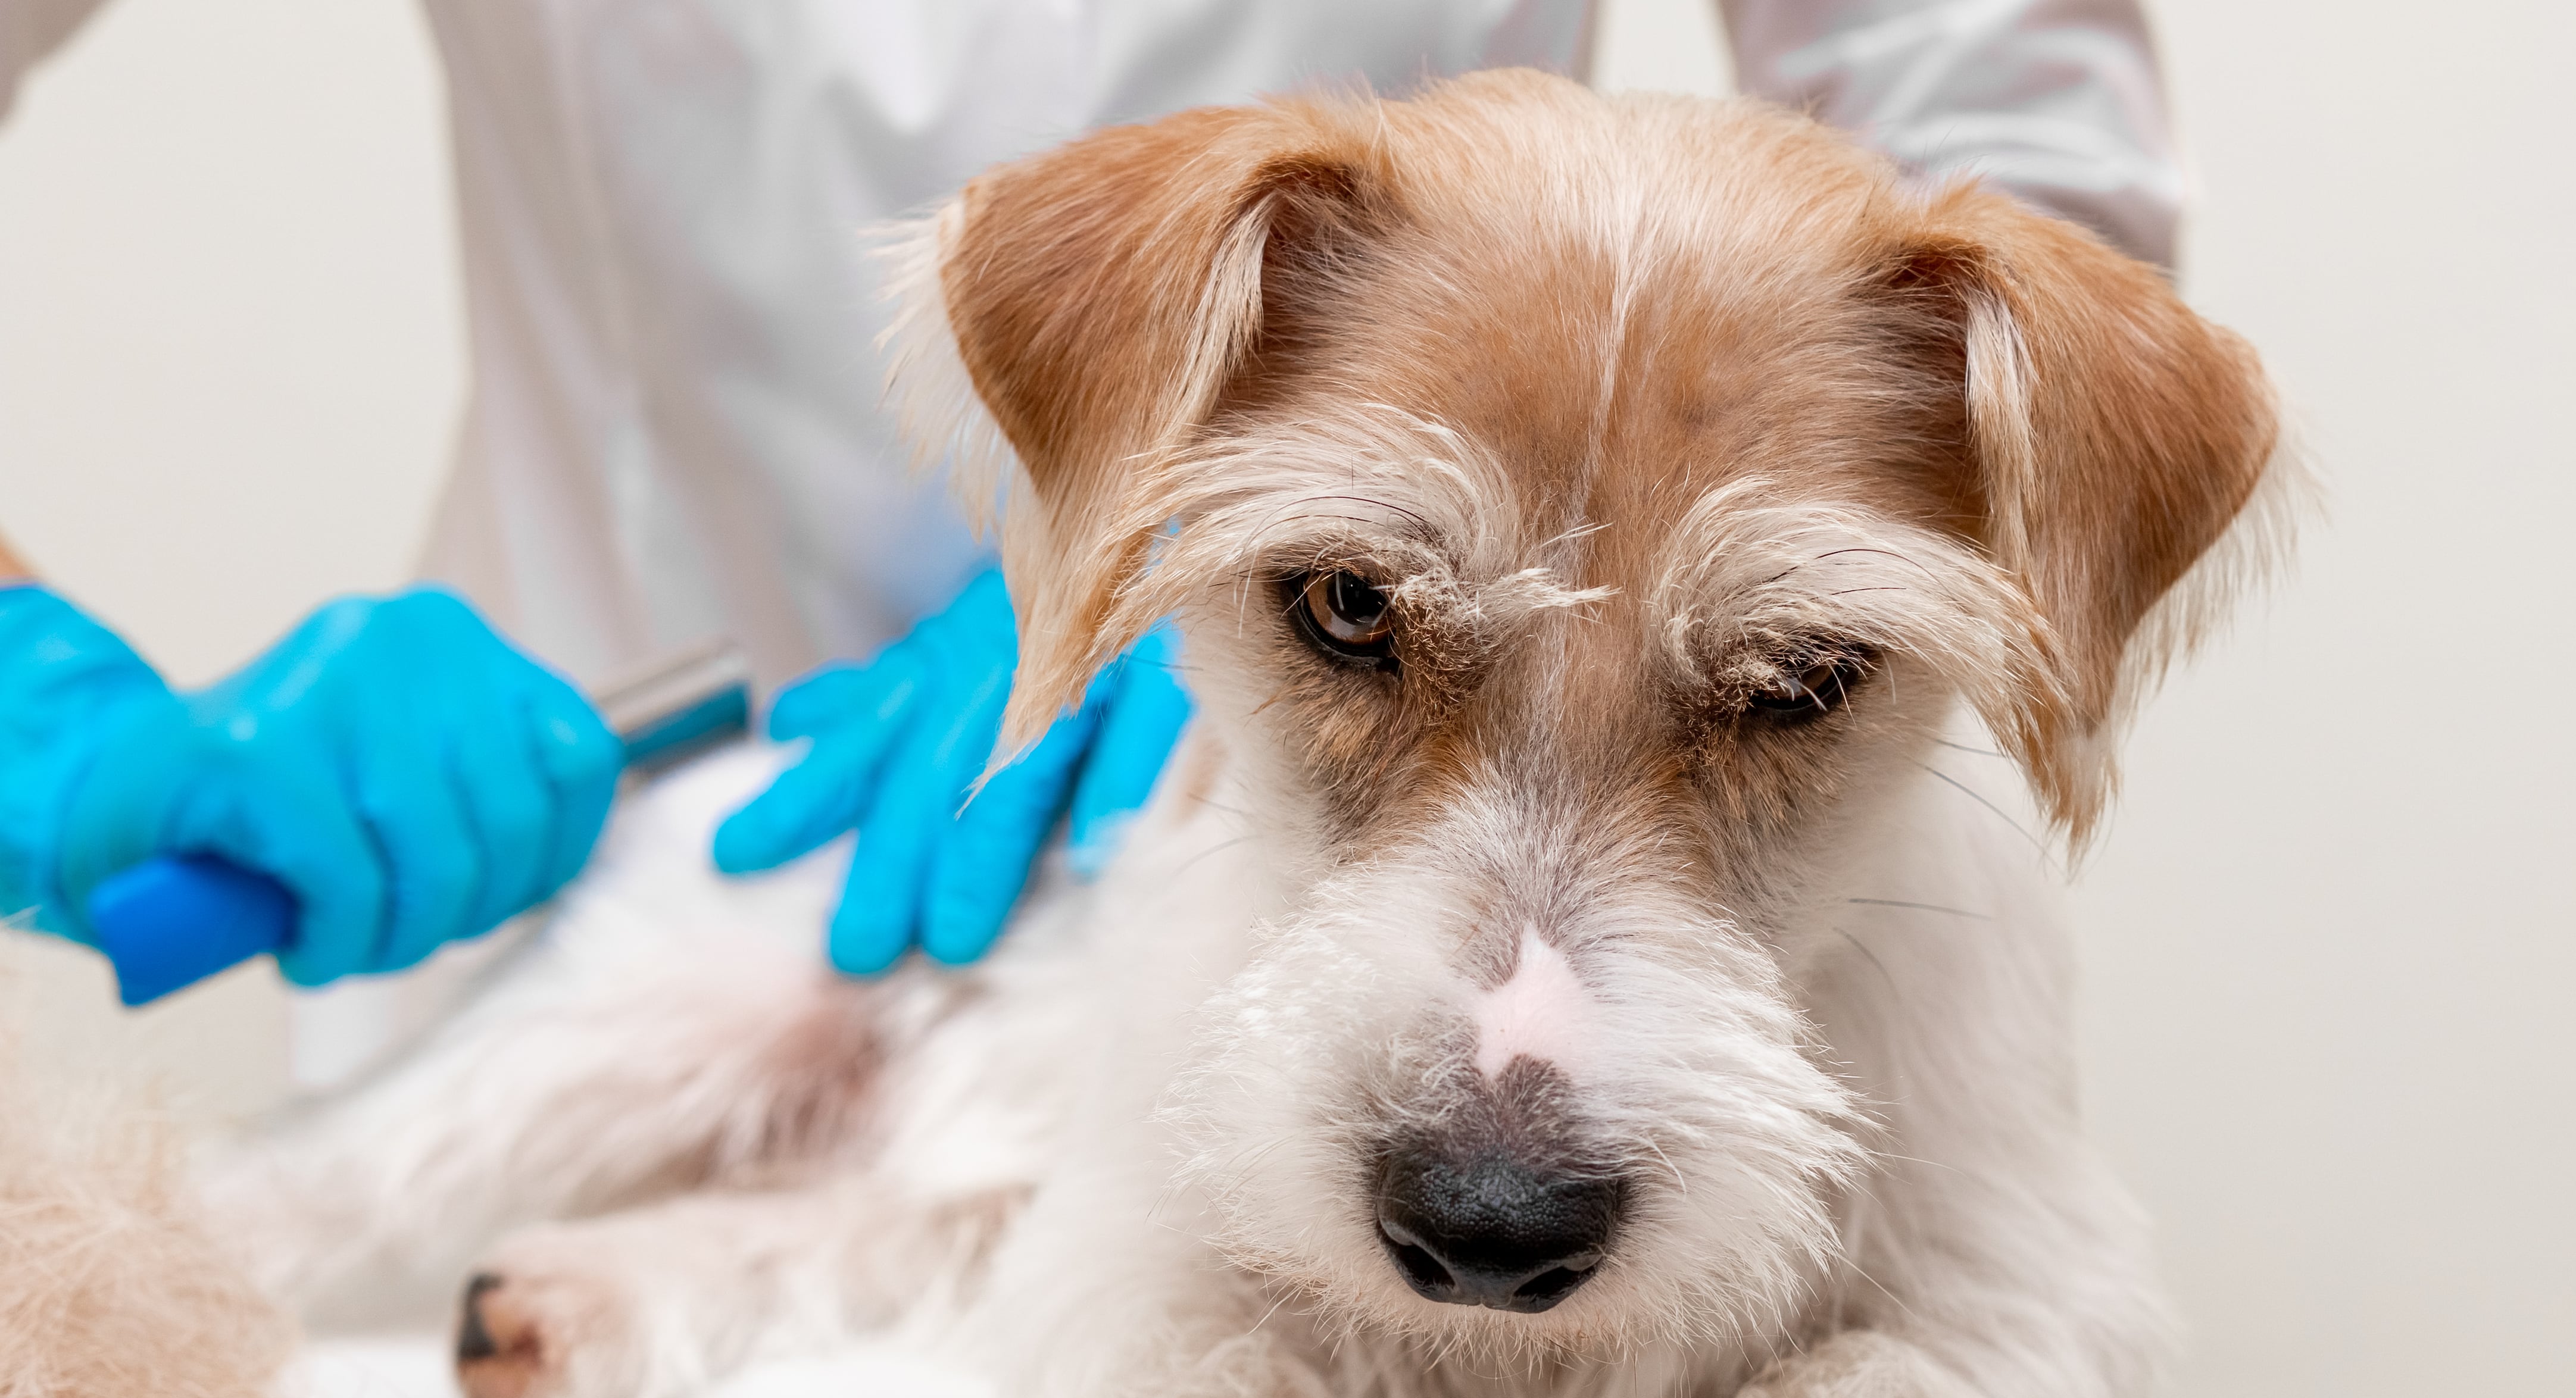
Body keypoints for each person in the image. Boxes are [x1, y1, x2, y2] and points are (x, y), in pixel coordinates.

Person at [0, 1, 2182, 1065]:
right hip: (592, 950)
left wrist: (1286, 585)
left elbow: (2004, 205)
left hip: (1408, 983)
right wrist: (39, 712)